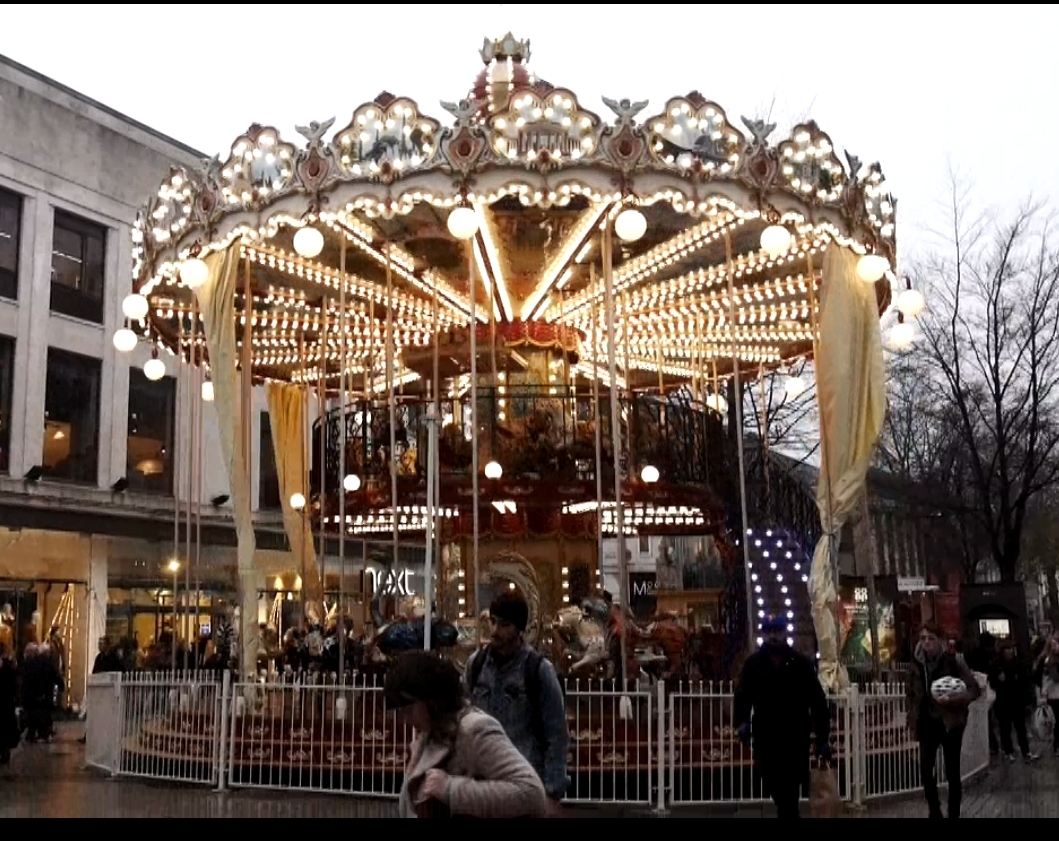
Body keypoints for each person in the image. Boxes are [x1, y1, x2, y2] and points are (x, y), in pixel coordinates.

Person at [385, 650, 547, 818]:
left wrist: (451, 789)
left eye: (409, 710)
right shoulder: (428, 736)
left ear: (431, 700)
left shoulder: (474, 729)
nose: (405, 720)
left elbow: (531, 793)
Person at [464, 591, 569, 814]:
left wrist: (552, 791)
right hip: (483, 780)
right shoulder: (476, 665)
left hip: (523, 781)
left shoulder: (538, 670)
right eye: (492, 622)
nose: (495, 631)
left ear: (519, 628)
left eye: (504, 625)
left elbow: (556, 732)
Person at [734, 616, 831, 819]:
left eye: (777, 632)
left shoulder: (800, 664)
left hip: (794, 739)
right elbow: (743, 696)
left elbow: (817, 700)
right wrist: (742, 722)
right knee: (777, 789)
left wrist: (822, 737)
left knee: (789, 796)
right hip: (766, 739)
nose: (774, 637)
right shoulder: (754, 664)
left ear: (785, 633)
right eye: (770, 632)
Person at [907, 621, 981, 819]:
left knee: (952, 772)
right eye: (923, 639)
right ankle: (934, 810)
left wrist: (956, 698)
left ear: (939, 641)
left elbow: (974, 689)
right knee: (925, 769)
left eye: (931, 638)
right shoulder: (916, 664)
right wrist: (912, 719)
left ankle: (953, 813)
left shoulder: (953, 661)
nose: (927, 643)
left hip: (950, 723)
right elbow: (912, 695)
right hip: (927, 723)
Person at [988, 642, 1039, 763]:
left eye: (1011, 650)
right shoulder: (996, 665)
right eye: (1007, 650)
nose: (1009, 653)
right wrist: (998, 681)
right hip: (1003, 701)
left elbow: (1026, 681)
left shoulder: (1019, 664)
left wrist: (1028, 699)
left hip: (1017, 700)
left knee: (1021, 728)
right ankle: (1008, 751)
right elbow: (992, 682)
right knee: (1005, 728)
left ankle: (1025, 751)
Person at [1036, 635, 1059, 756]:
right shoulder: (1045, 660)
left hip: (1054, 694)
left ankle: (1056, 743)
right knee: (1054, 721)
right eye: (1053, 645)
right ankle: (1056, 744)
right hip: (1051, 695)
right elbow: (1039, 678)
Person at [0, 642, 18, 765]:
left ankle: (4, 750)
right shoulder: (9, 667)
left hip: (5, 703)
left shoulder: (8, 667)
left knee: (4, 729)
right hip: (6, 703)